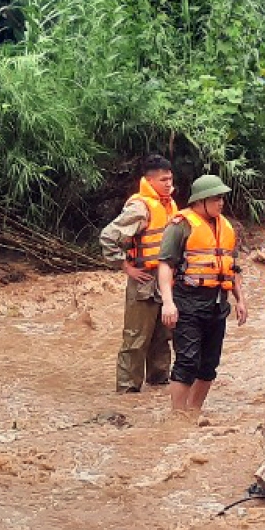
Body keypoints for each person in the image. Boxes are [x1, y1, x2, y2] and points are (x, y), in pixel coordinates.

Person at [157, 174, 248, 416]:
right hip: (187, 301)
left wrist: (240, 299)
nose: (221, 203)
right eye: (216, 198)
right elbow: (165, 265)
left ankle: (194, 412)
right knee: (187, 362)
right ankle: (177, 416)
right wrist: (168, 302)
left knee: (209, 365)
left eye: (222, 198)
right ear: (200, 201)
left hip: (218, 303)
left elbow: (232, 267)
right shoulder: (180, 226)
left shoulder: (226, 228)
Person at [99, 155, 178, 393]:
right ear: (149, 180)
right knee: (136, 339)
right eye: (163, 179)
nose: (168, 183)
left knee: (162, 338)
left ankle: (159, 383)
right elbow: (108, 236)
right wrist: (125, 266)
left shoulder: (169, 205)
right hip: (143, 280)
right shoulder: (140, 207)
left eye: (170, 178)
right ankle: (127, 390)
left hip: (166, 280)